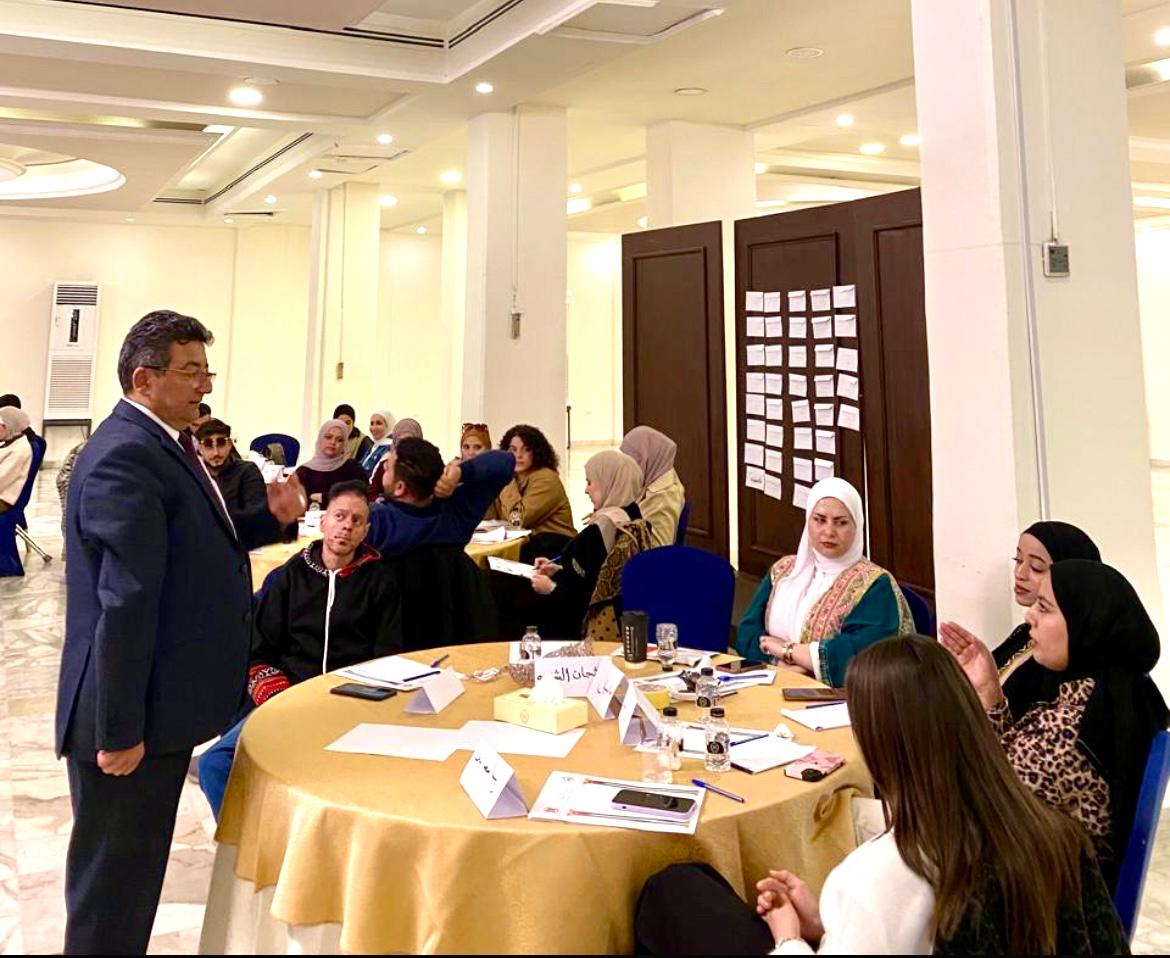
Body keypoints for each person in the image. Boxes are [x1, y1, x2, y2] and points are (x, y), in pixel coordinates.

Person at [55, 309, 305, 955]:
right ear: (144, 378)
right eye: (191, 371)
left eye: (206, 371)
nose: (206, 385)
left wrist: (270, 519)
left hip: (155, 706)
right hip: (132, 715)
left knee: (131, 880)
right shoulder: (127, 456)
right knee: (113, 891)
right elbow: (125, 603)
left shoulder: (167, 443)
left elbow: (193, 546)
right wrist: (119, 731)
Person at [635, 635, 1129, 956]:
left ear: (878, 745)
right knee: (690, 888)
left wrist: (789, 938)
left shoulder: (884, 873)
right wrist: (827, 923)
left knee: (673, 892)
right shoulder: (1054, 835)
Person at [942, 558, 1169, 888]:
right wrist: (989, 691)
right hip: (1040, 873)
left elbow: (983, 793)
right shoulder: (1102, 694)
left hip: (1038, 893)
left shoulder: (1072, 729)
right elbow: (1008, 767)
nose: (1029, 616)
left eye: (1045, 608)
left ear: (1084, 625)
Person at [197, 480, 401, 817]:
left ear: (366, 531)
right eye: (339, 516)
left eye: (356, 521)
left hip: (350, 701)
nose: (346, 526)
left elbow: (387, 657)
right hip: (289, 695)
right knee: (215, 764)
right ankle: (248, 842)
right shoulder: (291, 575)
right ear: (323, 521)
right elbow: (259, 646)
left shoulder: (380, 581)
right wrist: (275, 692)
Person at [736, 477, 913, 687]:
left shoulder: (874, 584)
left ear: (857, 526)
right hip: (774, 681)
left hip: (840, 697)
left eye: (841, 522)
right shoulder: (785, 571)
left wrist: (788, 651)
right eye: (819, 520)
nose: (829, 532)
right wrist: (779, 664)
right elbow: (747, 632)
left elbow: (861, 654)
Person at [939, 520, 1100, 705]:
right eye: (1018, 561)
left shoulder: (1072, 661)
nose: (1020, 574)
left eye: (1037, 567)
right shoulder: (1023, 634)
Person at [493, 449, 644, 637]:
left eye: (590, 482)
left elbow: (580, 597)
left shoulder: (600, 531)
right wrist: (558, 570)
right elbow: (592, 575)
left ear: (609, 482)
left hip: (575, 626)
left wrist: (550, 588)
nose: (586, 490)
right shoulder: (631, 516)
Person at [363, 436, 513, 557]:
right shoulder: (456, 513)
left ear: (399, 488)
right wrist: (461, 472)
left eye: (388, 468)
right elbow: (506, 461)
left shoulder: (375, 522)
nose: (384, 467)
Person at [485, 424, 575, 562]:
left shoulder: (546, 478)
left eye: (526, 449)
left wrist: (506, 480)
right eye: (513, 450)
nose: (519, 455)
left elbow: (517, 520)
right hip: (526, 546)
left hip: (554, 550)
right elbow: (490, 517)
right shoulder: (515, 477)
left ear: (537, 452)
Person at [620, 425, 686, 548]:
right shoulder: (654, 476)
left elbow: (657, 550)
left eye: (630, 460)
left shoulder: (663, 497)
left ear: (646, 458)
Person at [195, 418, 267, 515]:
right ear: (200, 449)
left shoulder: (247, 471)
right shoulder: (194, 474)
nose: (215, 452)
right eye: (208, 445)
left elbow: (255, 513)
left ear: (229, 445)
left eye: (221, 443)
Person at [295, 419, 368, 505]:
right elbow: (296, 502)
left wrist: (325, 497)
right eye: (328, 437)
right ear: (320, 439)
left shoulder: (353, 468)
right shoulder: (304, 471)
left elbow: (362, 493)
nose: (333, 442)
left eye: (339, 440)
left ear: (345, 444)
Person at [368, 417, 423, 502]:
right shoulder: (387, 464)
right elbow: (371, 492)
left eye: (409, 441)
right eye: (400, 441)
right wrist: (378, 500)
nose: (404, 446)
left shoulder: (424, 466)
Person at [0, 406, 33, 513]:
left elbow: (1, 480)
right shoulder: (8, 443)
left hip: (3, 500)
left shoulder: (20, 450)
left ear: (10, 426)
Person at [359, 409, 395, 475]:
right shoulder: (375, 446)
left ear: (388, 426)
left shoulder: (390, 449)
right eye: (372, 423)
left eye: (378, 423)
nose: (374, 428)